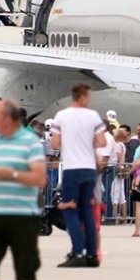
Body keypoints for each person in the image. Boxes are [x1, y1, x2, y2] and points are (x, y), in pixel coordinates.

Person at [0, 99, 48, 280]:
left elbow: (40, 179)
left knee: (25, 269)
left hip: (22, 214)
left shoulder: (30, 142)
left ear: (8, 118)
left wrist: (12, 174)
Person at [49, 83, 107, 266]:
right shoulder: (93, 116)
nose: (89, 100)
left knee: (70, 209)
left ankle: (77, 251)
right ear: (82, 96)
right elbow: (102, 141)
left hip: (72, 168)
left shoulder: (61, 116)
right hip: (89, 168)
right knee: (87, 211)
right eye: (88, 96)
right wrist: (85, 143)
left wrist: (72, 142)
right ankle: (92, 254)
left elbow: (55, 144)